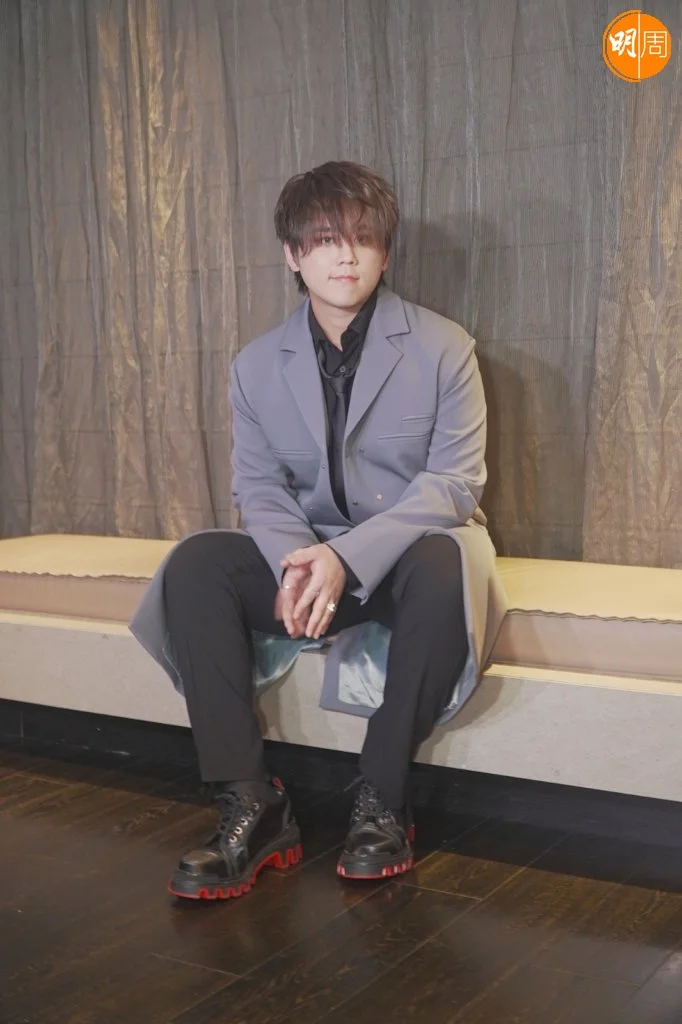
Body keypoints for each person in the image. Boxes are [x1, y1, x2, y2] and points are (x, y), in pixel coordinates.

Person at [130, 160, 505, 900]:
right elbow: (258, 487)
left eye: (363, 239)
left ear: (385, 253)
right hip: (305, 557)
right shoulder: (255, 365)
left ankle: (383, 798)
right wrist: (301, 559)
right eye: (326, 239)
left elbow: (454, 484)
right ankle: (250, 802)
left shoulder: (443, 346)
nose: (346, 256)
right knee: (197, 562)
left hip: (405, 556)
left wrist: (346, 557)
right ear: (292, 255)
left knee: (445, 562)